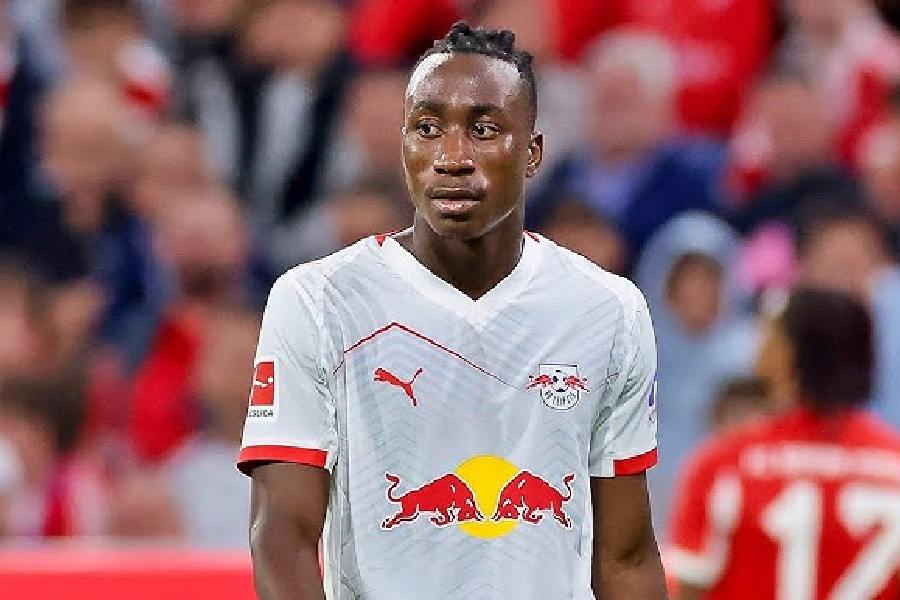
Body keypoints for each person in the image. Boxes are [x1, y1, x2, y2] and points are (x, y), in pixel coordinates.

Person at [239, 22, 666, 600]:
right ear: (404, 147)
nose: (452, 157)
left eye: (483, 129)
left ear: (533, 153)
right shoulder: (317, 301)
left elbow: (626, 558)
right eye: (428, 128)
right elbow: (281, 538)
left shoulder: (607, 310)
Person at [667, 287, 900, 599]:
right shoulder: (894, 463)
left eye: (769, 330)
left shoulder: (725, 464)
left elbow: (686, 588)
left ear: (787, 353)